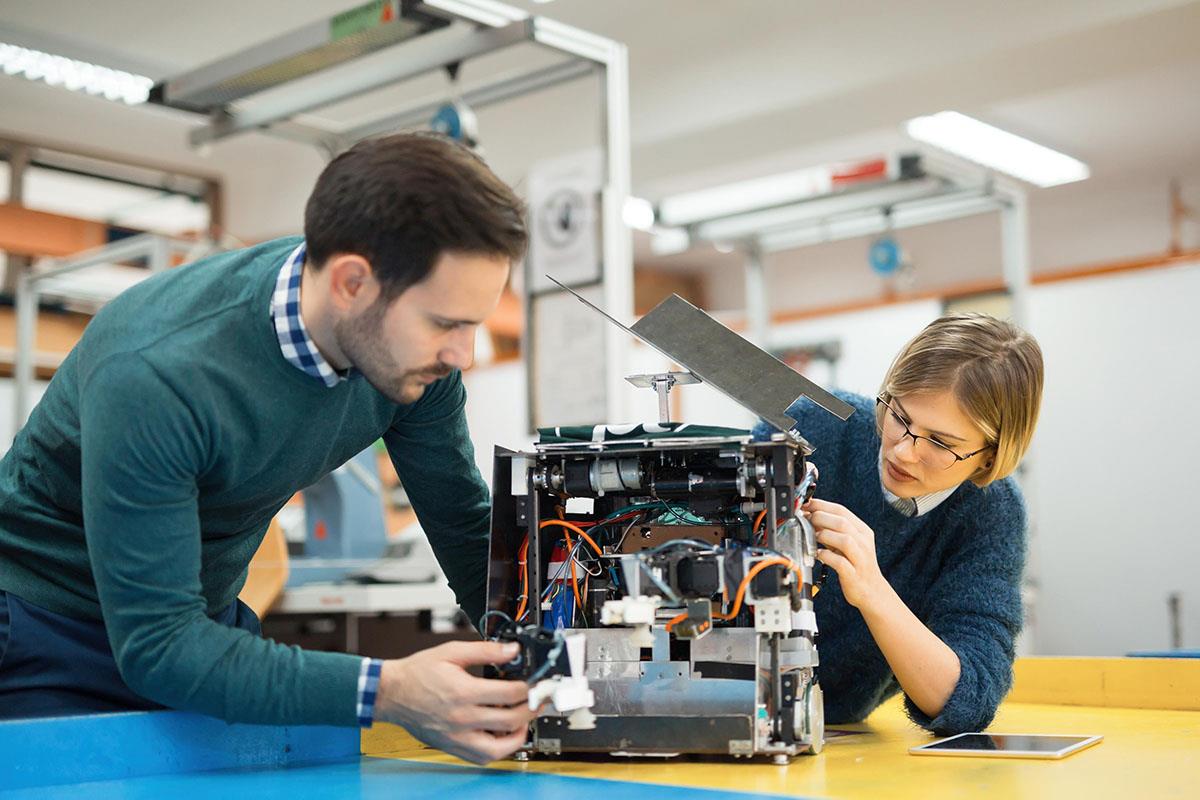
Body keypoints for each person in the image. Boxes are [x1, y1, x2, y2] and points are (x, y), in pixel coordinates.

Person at [0, 133, 535, 765]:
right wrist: (387, 690)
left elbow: (467, 533)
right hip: (48, 629)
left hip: (201, 627)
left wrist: (546, 659)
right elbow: (159, 648)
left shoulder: (418, 369)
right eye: (446, 323)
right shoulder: (159, 371)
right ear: (351, 283)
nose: (463, 355)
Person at [754, 313, 1043, 735]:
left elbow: (968, 699)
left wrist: (871, 588)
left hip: (833, 733)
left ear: (990, 454)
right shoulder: (812, 428)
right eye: (900, 417)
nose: (905, 453)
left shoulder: (990, 514)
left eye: (942, 443)